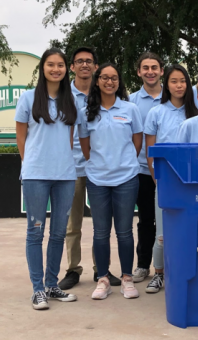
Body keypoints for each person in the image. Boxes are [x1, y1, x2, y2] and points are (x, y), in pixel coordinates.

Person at [15, 48, 78, 310]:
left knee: (59, 232)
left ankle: (52, 285)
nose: (56, 69)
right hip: (36, 176)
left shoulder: (70, 99)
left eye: (60, 65)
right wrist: (29, 164)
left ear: (66, 69)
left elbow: (70, 136)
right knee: (35, 232)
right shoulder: (28, 99)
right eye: (50, 65)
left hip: (65, 175)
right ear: (43, 68)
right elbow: (21, 137)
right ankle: (37, 289)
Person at [79, 63, 143, 300]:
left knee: (124, 232)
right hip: (97, 179)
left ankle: (127, 277)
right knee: (100, 232)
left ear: (119, 82)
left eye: (114, 78)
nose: (109, 81)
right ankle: (103, 278)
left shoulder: (130, 109)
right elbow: (86, 147)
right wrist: (100, 163)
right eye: (104, 77)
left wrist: (123, 162)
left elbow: (137, 141)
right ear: (97, 81)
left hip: (126, 178)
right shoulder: (87, 111)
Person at [57, 47, 120, 290]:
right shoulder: (62, 95)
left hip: (99, 168)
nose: (85, 65)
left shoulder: (103, 94)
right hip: (69, 168)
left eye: (89, 61)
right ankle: (73, 270)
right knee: (72, 224)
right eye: (79, 61)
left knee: (101, 224)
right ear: (72, 67)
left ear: (96, 67)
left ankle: (100, 270)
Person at [144, 64, 198, 293]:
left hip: (193, 182)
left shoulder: (196, 113)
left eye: (183, 81)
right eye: (174, 81)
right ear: (167, 84)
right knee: (163, 234)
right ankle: (158, 273)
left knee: (190, 230)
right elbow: (150, 150)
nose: (179, 85)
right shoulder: (156, 113)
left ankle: (188, 273)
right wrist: (157, 178)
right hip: (167, 181)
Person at [129, 52, 164, 283]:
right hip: (142, 169)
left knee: (168, 220)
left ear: (161, 71)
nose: (150, 71)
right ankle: (143, 265)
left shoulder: (174, 96)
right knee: (146, 220)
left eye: (154, 67)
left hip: (171, 173)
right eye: (145, 68)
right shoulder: (131, 100)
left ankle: (167, 266)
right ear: (139, 71)